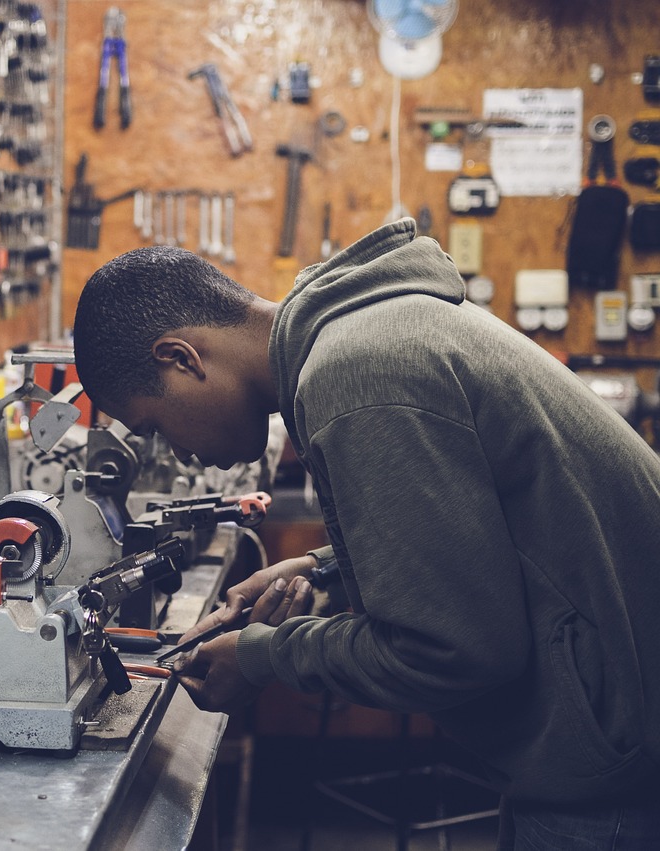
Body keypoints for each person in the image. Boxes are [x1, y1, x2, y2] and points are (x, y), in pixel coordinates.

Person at [72, 219, 660, 849]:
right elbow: (482, 530)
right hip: (610, 741)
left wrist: (265, 658)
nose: (177, 454)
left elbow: (453, 650)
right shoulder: (365, 335)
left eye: (155, 425)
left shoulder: (356, 376)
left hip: (615, 778)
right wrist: (322, 569)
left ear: (181, 357)